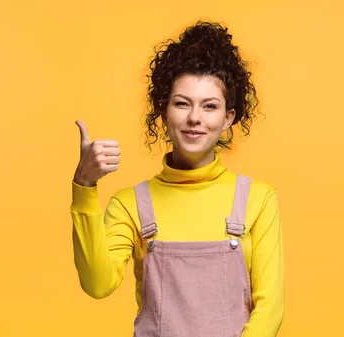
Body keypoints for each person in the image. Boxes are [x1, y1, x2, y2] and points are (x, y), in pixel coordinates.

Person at [70, 21, 284, 337]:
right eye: (182, 103)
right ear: (163, 109)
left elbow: (269, 310)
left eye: (209, 106)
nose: (194, 118)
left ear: (228, 118)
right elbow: (97, 284)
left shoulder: (258, 199)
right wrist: (85, 186)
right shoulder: (131, 204)